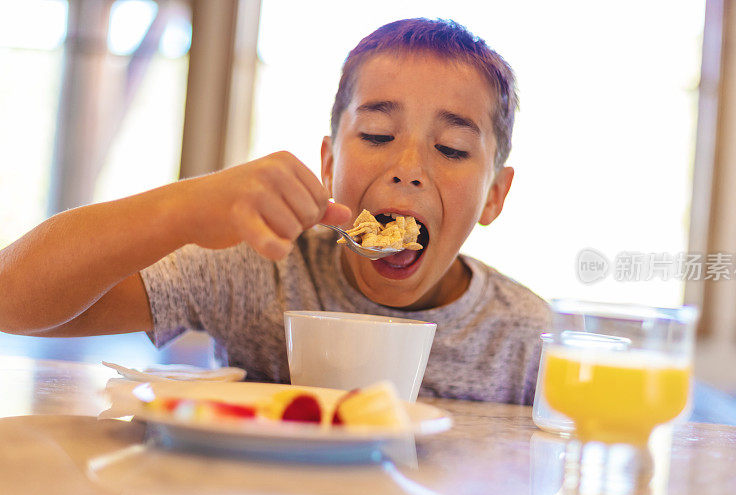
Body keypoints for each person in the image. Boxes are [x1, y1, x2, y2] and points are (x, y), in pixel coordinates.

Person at [0, 18, 548, 404]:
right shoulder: (259, 269)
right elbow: (10, 299)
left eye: (451, 149)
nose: (409, 168)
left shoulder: (526, 338)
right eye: (378, 134)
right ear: (329, 164)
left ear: (495, 196)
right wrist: (184, 208)